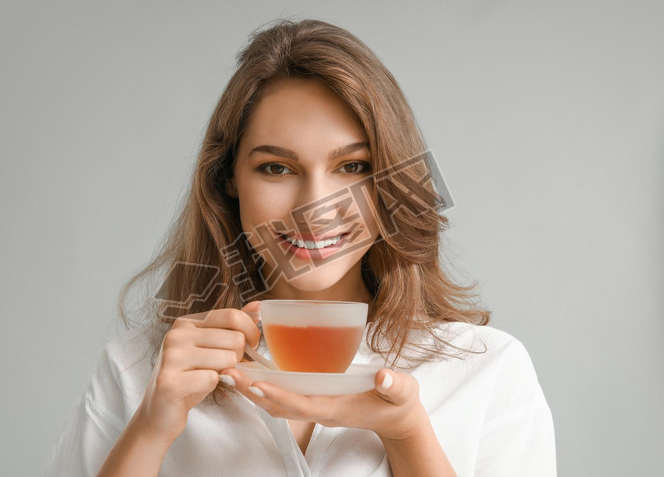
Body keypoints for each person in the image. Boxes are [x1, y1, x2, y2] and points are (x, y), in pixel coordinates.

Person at [44, 18, 556, 477]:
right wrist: (152, 429)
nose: (317, 205)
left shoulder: (487, 369)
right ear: (228, 180)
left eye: (352, 167)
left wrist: (409, 437)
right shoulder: (139, 371)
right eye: (276, 168)